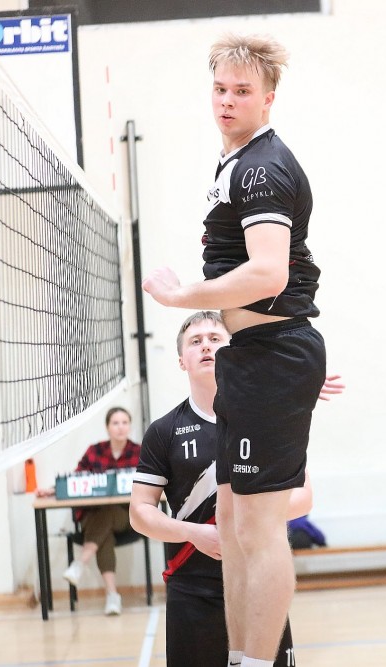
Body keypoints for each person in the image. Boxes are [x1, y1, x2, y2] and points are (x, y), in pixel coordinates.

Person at [142, 34, 326, 667]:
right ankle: (240, 655)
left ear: (268, 98)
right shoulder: (234, 163)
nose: (227, 100)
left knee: (261, 529)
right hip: (252, 356)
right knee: (234, 522)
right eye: (220, 88)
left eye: (242, 91)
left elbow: (269, 273)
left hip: (274, 352)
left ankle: (256, 661)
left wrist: (182, 297)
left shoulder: (261, 167)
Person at [130, 311, 340, 667]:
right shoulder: (164, 431)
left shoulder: (267, 421)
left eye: (215, 338)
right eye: (195, 341)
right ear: (181, 360)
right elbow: (140, 513)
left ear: (234, 351)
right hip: (192, 591)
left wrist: (240, 521)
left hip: (259, 587)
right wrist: (194, 533)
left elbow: (304, 497)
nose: (206, 346)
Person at [37, 407, 140, 616]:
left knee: (109, 512)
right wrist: (54, 490)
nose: (120, 427)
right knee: (104, 532)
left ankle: (79, 563)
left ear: (130, 426)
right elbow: (77, 479)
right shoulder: (95, 451)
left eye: (124, 422)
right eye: (115, 423)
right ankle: (113, 596)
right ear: (107, 427)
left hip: (125, 516)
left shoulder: (139, 452)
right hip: (93, 516)